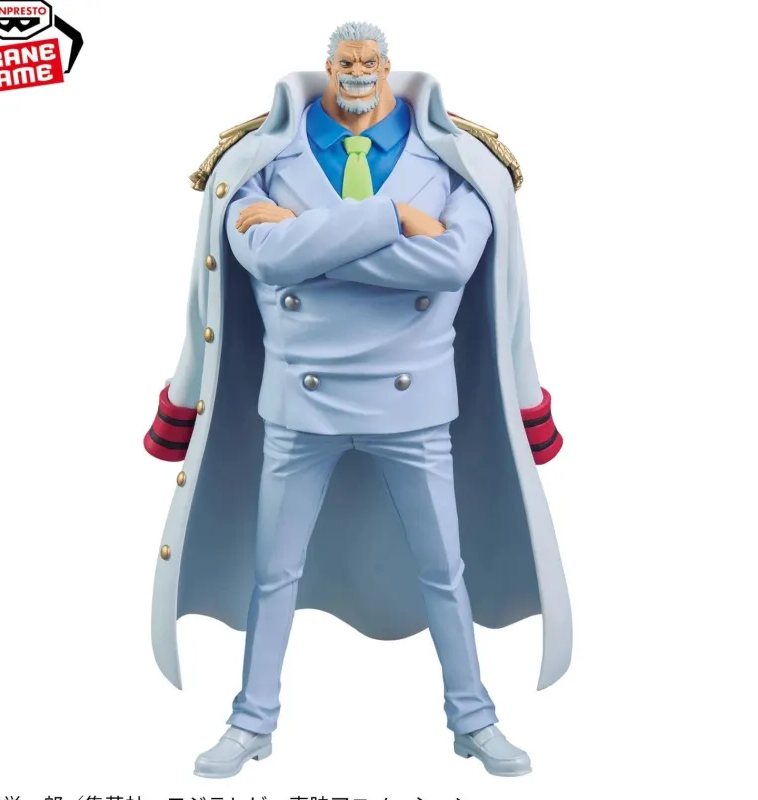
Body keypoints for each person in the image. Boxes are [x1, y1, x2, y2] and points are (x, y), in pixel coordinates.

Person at [144, 21, 571, 780]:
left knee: (444, 570)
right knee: (274, 572)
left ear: (388, 67)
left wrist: (311, 242)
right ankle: (252, 720)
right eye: (347, 60)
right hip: (298, 406)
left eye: (370, 60)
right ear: (329, 66)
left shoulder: (464, 165)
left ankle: (473, 717)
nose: (359, 71)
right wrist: (395, 221)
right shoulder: (256, 163)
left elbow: (449, 263)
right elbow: (263, 256)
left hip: (414, 407)